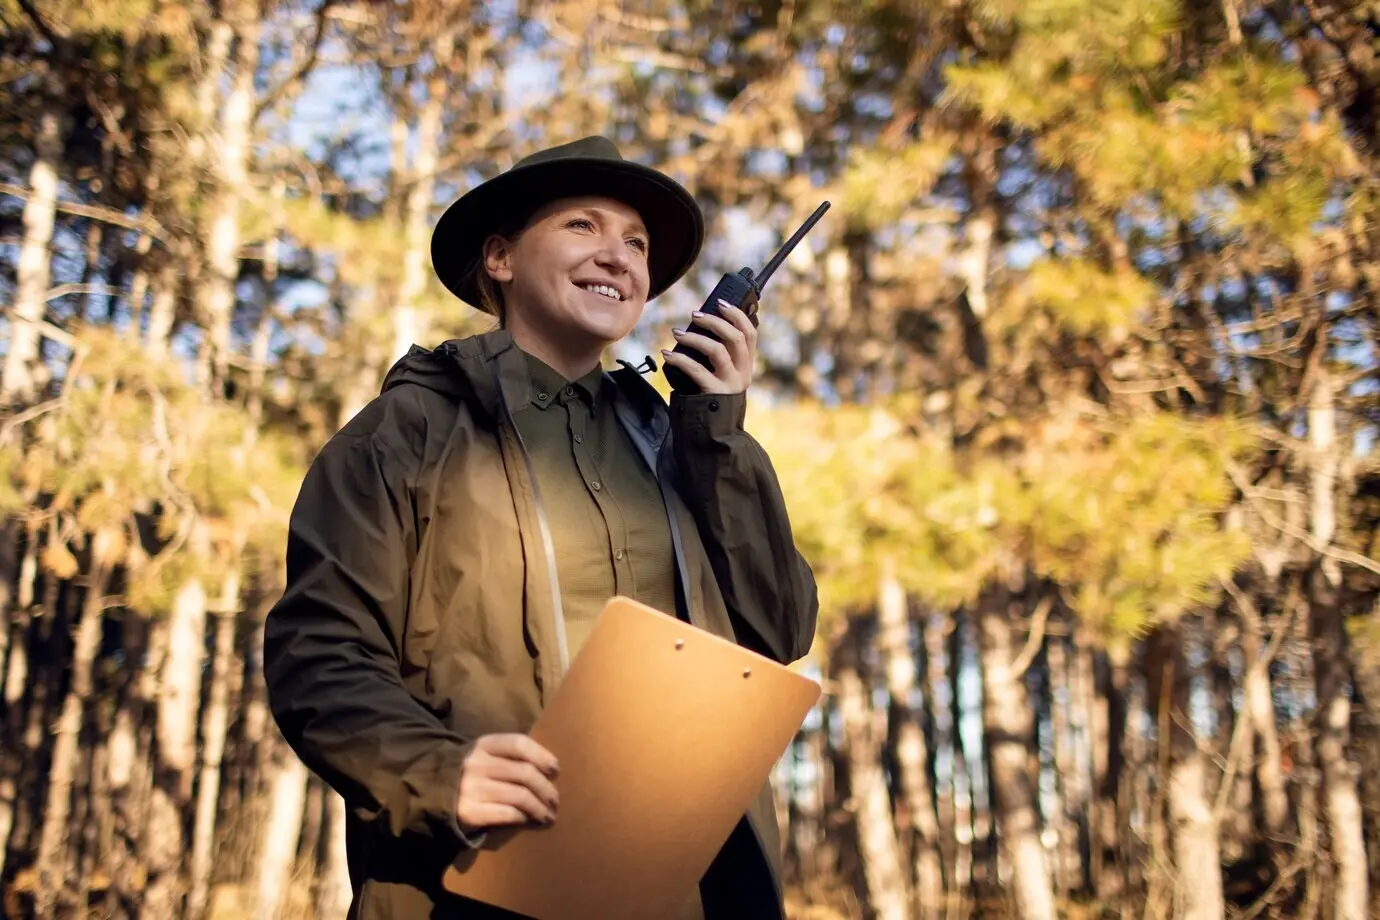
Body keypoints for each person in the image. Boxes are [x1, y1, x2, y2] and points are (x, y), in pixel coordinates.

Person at [262, 136, 819, 920]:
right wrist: (440, 772)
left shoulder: (681, 440)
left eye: (637, 244)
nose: (620, 258)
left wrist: (716, 430)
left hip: (685, 892)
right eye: (584, 228)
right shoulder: (402, 433)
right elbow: (318, 654)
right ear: (499, 258)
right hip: (475, 886)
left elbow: (780, 629)